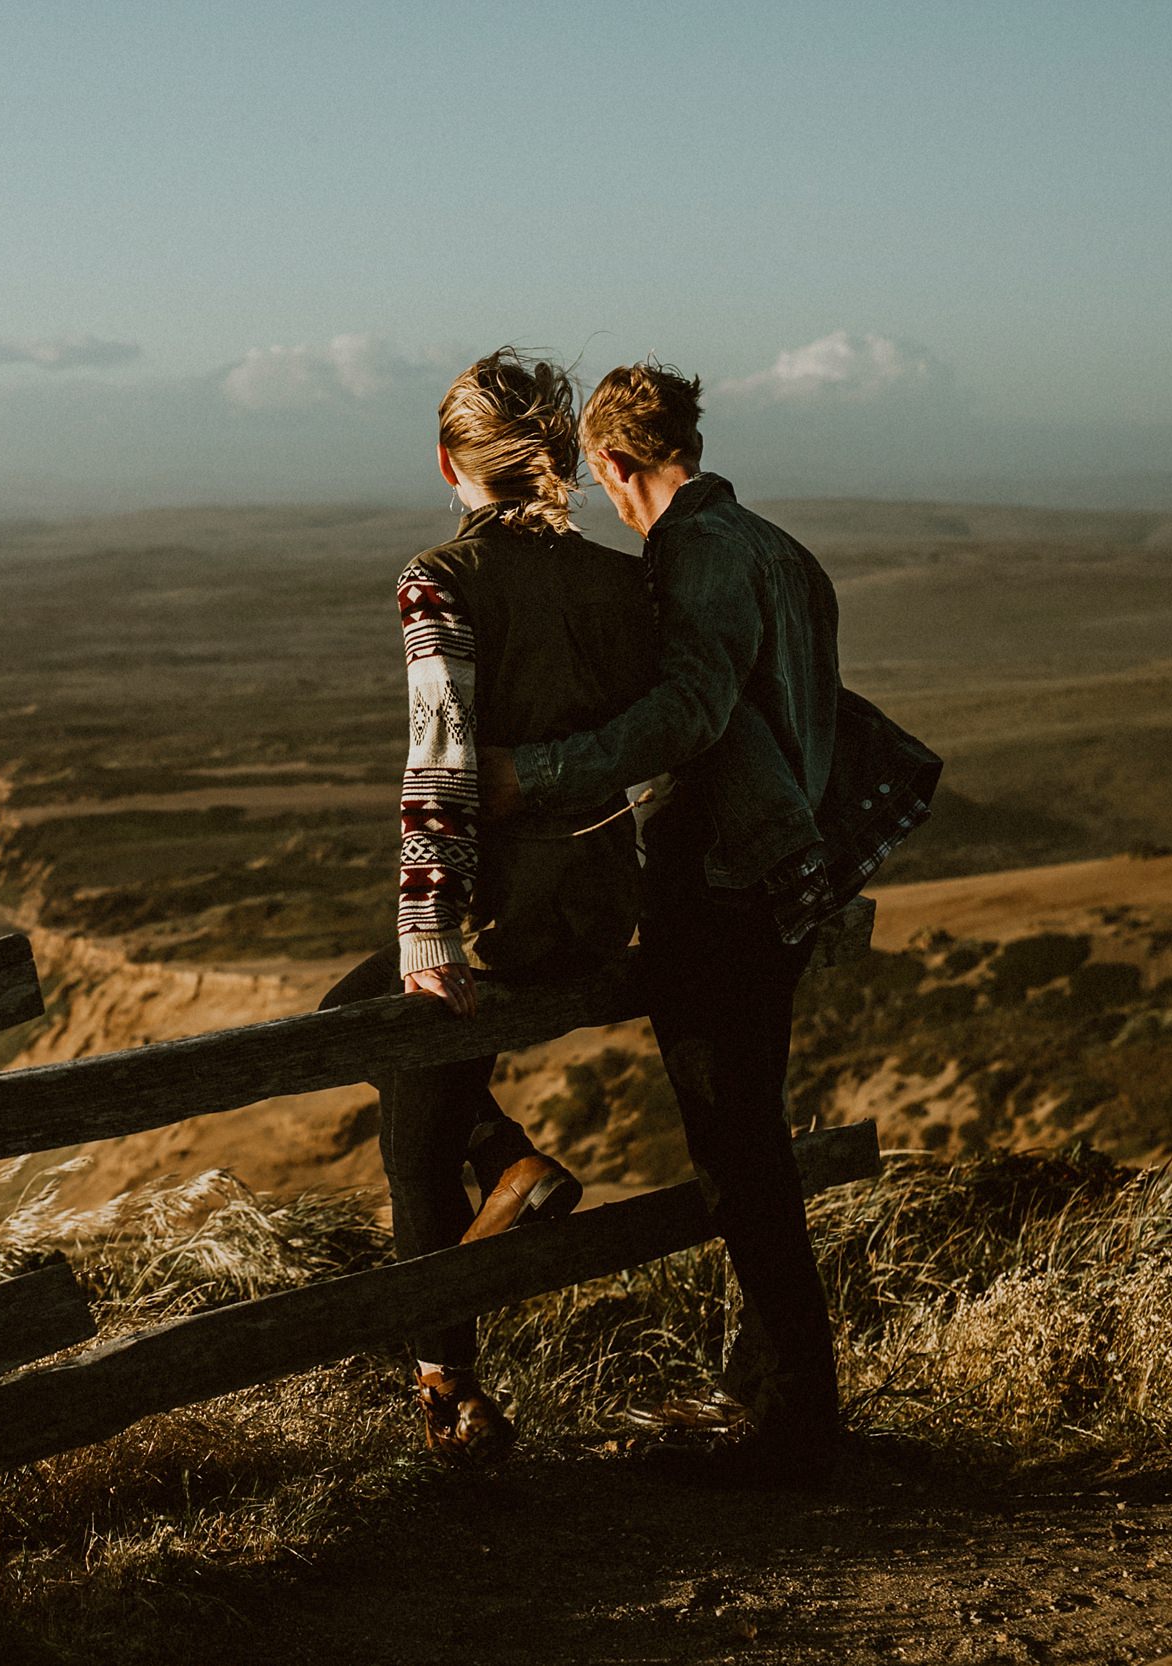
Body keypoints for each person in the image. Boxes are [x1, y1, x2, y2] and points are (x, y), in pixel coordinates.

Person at [480, 360, 882, 1477]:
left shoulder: (697, 556)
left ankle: (795, 1417)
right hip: (783, 874)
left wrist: (539, 773)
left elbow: (690, 713)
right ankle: (769, 1390)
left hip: (721, 885)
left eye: (601, 480)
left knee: (734, 1150)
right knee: (747, 1133)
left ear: (613, 463)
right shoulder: (775, 549)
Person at [321, 348, 658, 1459]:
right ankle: (503, 1171)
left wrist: (429, 929)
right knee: (392, 1053)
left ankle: (448, 1384)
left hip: (508, 914)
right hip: (601, 903)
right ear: (559, 461)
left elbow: (442, 758)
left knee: (390, 1061)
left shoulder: (441, 575)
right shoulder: (620, 581)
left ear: (442, 461)